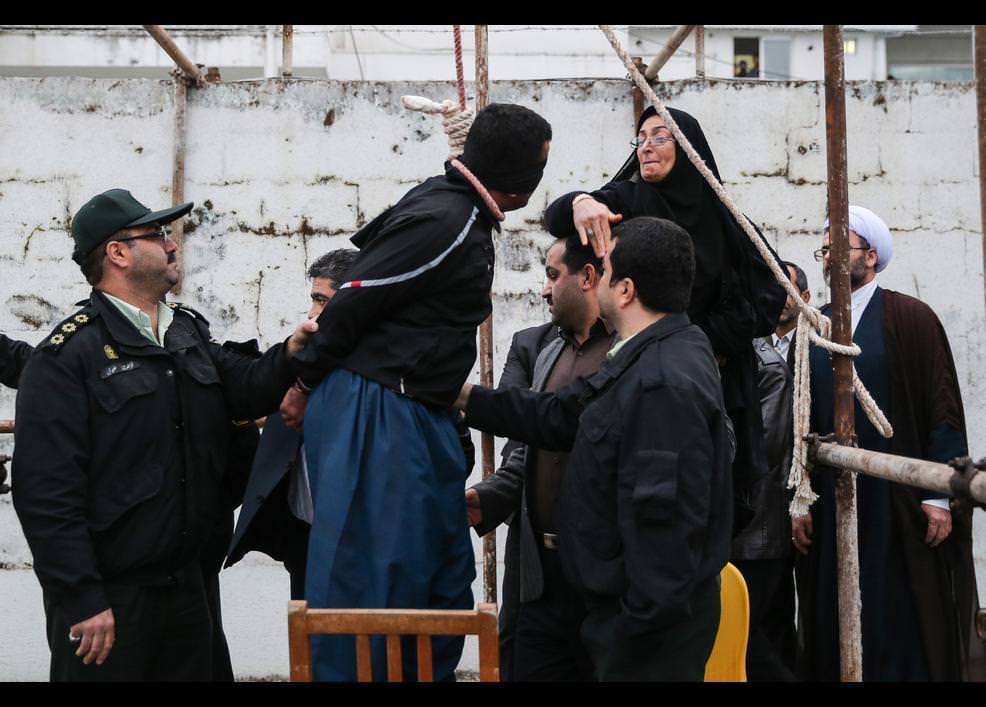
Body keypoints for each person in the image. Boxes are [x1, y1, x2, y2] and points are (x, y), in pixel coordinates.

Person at [279, 103, 553, 681]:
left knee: (439, 576)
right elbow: (355, 297)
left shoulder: (461, 212)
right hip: (377, 409)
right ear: (521, 177)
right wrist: (304, 381)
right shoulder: (445, 219)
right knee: (374, 582)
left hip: (415, 410)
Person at [11, 188, 314, 682]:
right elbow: (46, 493)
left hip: (189, 588)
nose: (172, 244)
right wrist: (83, 598)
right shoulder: (67, 357)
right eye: (156, 235)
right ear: (118, 253)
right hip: (110, 602)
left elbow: (247, 387)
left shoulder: (185, 332)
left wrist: (294, 350)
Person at [458, 217, 733, 681]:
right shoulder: (652, 353)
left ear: (624, 290)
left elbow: (664, 524)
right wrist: (464, 396)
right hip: (625, 615)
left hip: (647, 634)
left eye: (604, 271)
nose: (596, 280)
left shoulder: (661, 381)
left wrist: (631, 630)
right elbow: (562, 415)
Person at [544, 105, 785, 528]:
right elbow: (558, 216)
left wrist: (701, 342)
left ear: (689, 149)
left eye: (660, 137)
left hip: (714, 374)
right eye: (640, 139)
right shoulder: (630, 201)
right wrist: (581, 202)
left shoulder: (724, 216)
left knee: (706, 494)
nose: (646, 148)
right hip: (639, 367)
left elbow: (769, 295)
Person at [793, 205, 982, 681]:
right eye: (824, 250)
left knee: (895, 610)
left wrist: (937, 496)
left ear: (871, 256)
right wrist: (800, 498)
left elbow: (941, 406)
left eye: (841, 248)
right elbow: (797, 419)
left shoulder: (910, 318)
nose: (830, 257)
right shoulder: (814, 326)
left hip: (895, 498)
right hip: (830, 495)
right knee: (834, 611)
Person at [466, 234, 614, 681]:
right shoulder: (547, 352)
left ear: (588, 277)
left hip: (605, 577)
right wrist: (486, 498)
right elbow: (529, 445)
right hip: (541, 575)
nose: (544, 290)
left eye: (552, 275)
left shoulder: (630, 353)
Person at [225, 248, 358, 601]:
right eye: (313, 299)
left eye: (322, 300)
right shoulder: (294, 363)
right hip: (305, 545)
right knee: (308, 633)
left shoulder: (390, 369)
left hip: (365, 548)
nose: (312, 312)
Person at [731, 261, 810, 681]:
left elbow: (763, 447)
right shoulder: (748, 354)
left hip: (758, 533)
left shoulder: (766, 366)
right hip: (743, 533)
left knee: (762, 641)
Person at [489, 319, 558, 681]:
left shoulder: (622, 344)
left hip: (579, 515)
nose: (546, 292)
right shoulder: (530, 343)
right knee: (513, 627)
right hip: (527, 506)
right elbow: (509, 415)